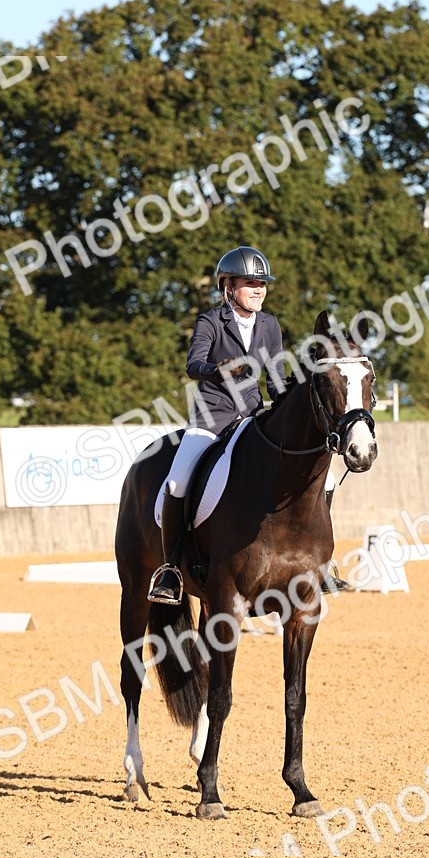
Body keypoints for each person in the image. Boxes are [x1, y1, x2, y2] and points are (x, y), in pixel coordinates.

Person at [147, 245, 284, 604]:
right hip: (212, 416)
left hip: (253, 417)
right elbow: (194, 365)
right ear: (228, 286)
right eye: (251, 283)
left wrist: (286, 406)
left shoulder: (270, 325)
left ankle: (311, 564)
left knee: (320, 475)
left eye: (262, 284)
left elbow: (276, 378)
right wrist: (220, 370)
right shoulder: (210, 321)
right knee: (176, 481)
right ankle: (172, 569)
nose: (259, 290)